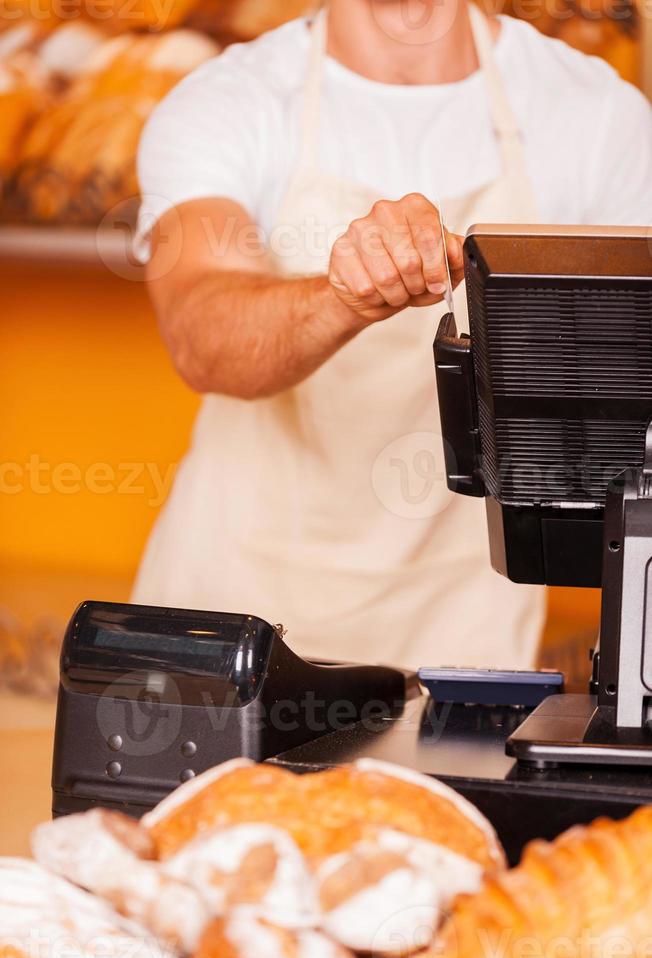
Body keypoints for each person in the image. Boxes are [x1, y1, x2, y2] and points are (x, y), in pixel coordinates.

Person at [132, 0, 652, 669]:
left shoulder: (598, 114)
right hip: (236, 619)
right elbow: (203, 337)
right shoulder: (228, 101)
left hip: (465, 631)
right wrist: (343, 298)